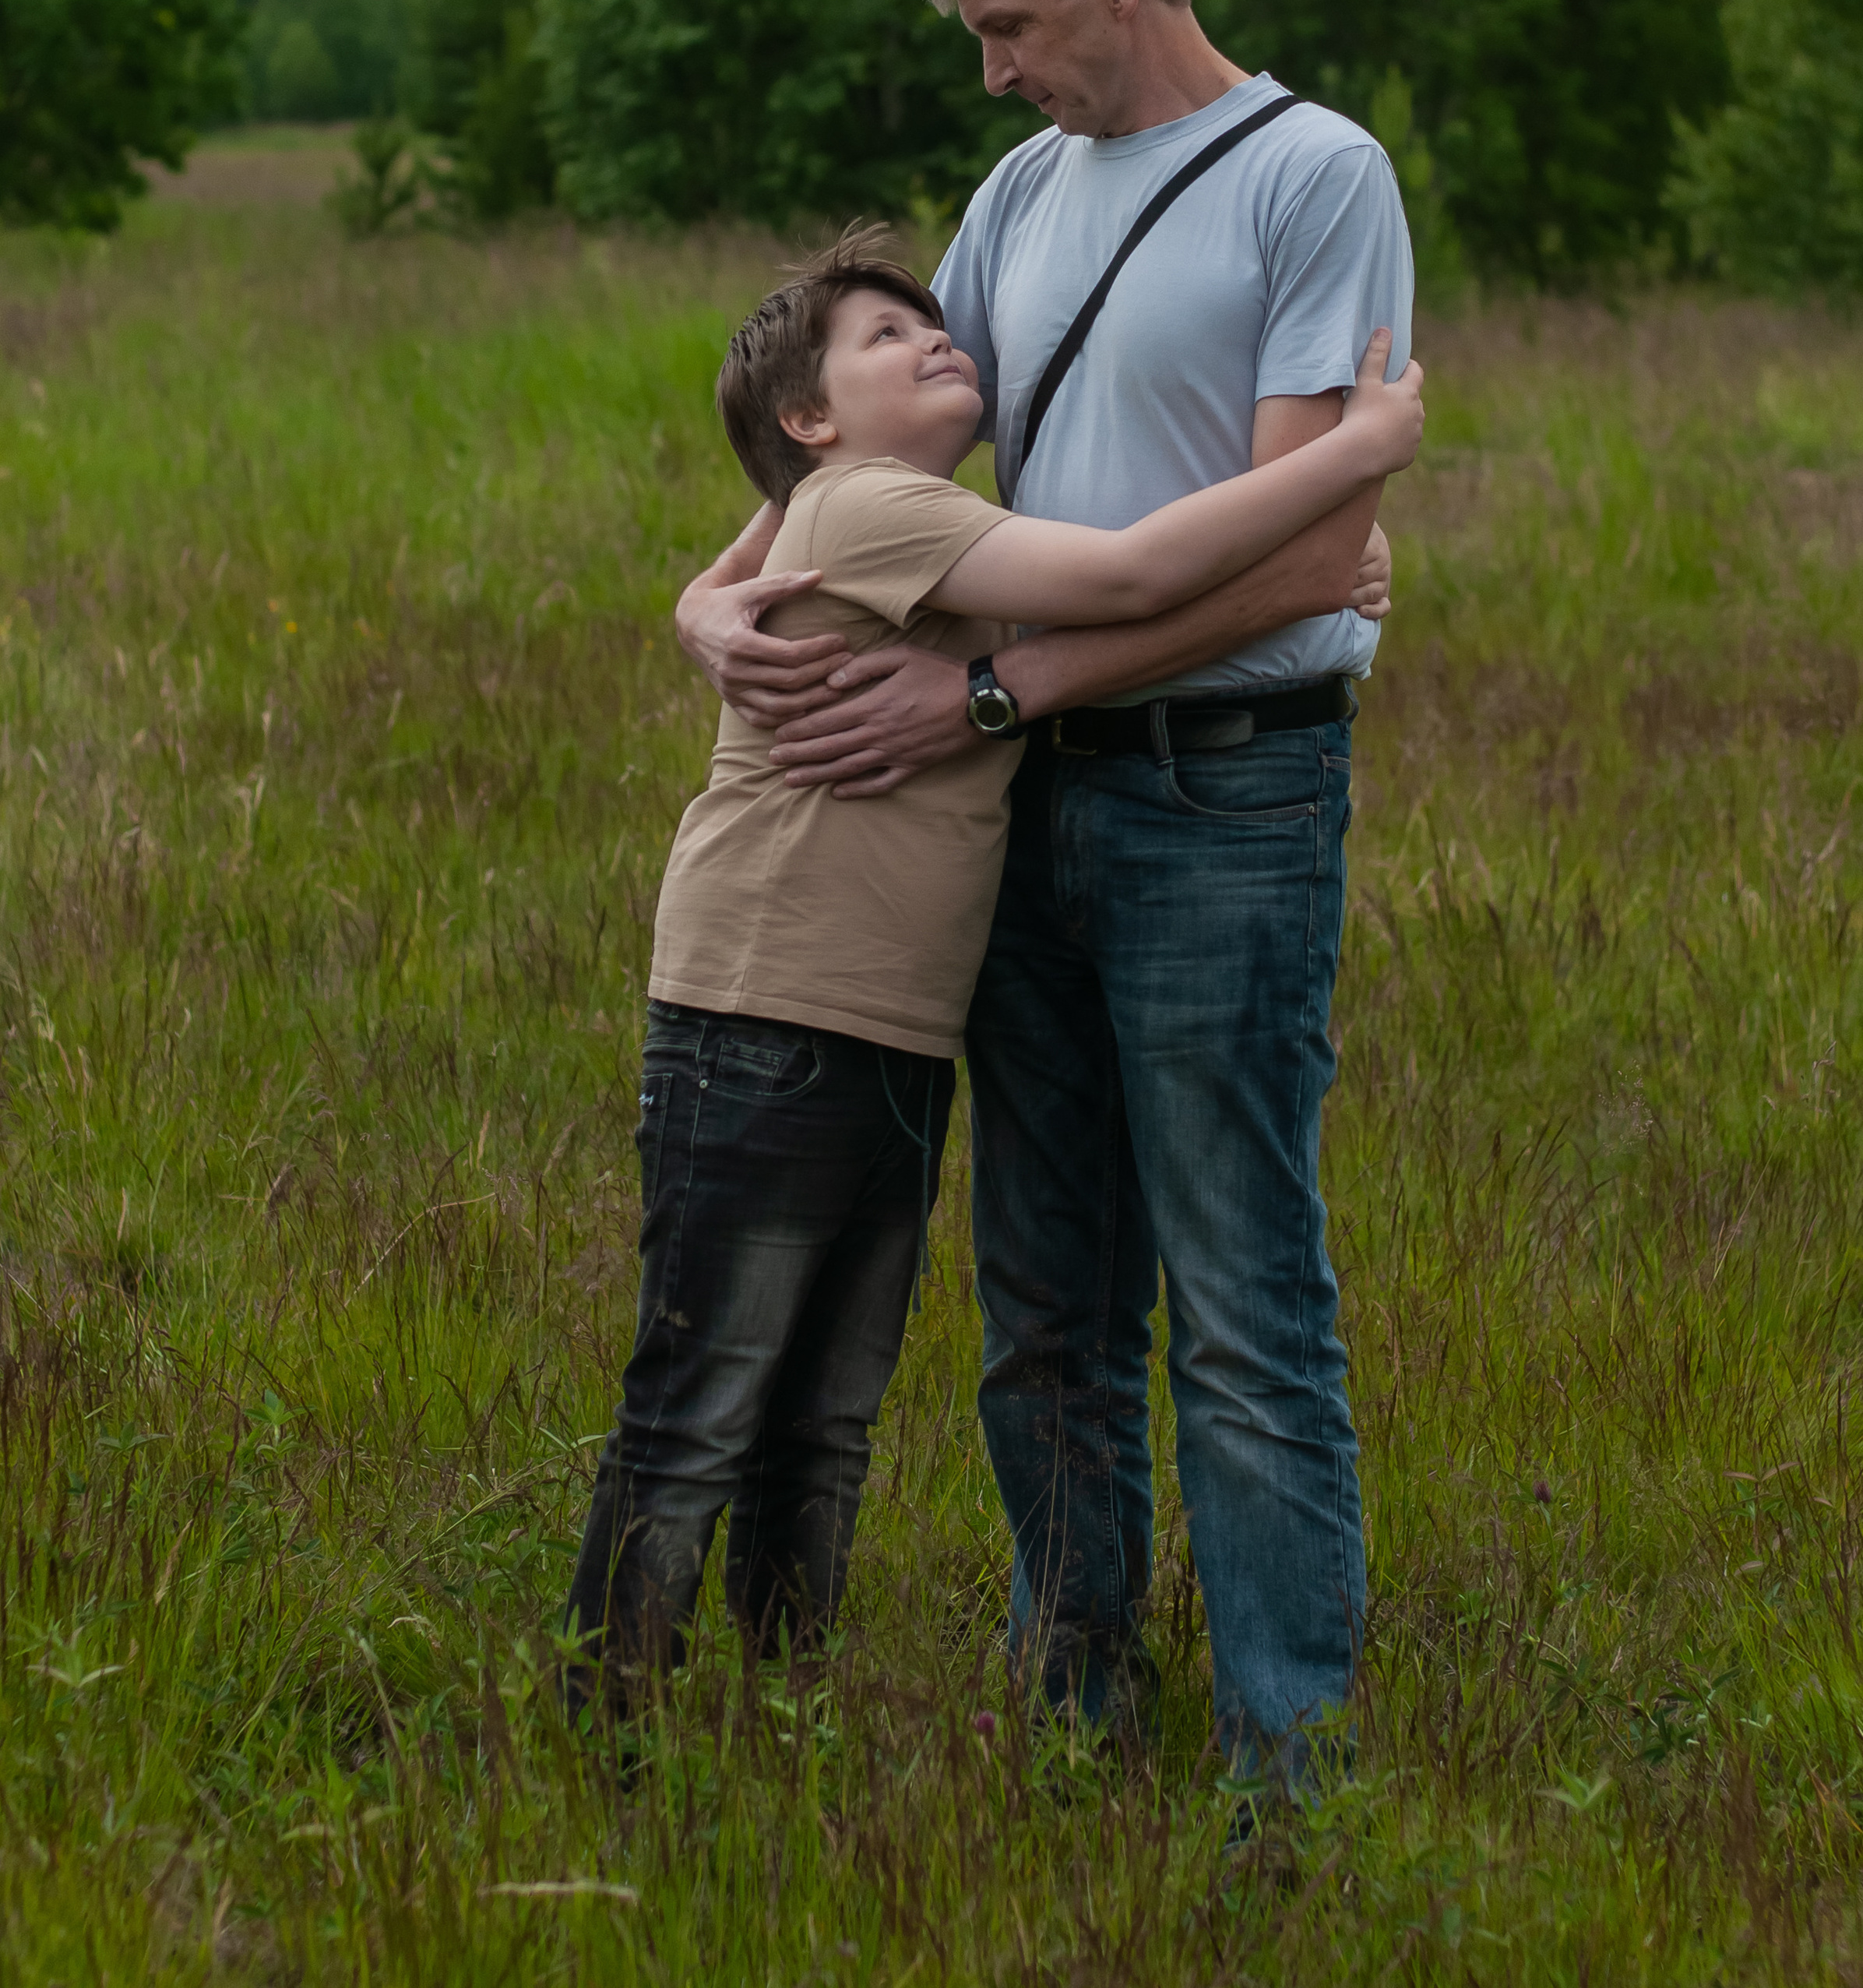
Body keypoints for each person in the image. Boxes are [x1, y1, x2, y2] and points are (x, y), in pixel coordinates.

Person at [675, 0, 1414, 1788]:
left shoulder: (1312, 177)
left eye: (1009, 26)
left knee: (1242, 1310)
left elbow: (1296, 550)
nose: (990, 71)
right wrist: (711, 591)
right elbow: (886, 439)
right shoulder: (1020, 190)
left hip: (1224, 808)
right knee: (1042, 1308)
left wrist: (992, 680)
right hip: (1017, 825)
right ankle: (1069, 1719)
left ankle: (1288, 1776)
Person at [565, 226, 1422, 1701]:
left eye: (934, 322)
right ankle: (605, 1722)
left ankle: (783, 1716)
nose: (937, 339)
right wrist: (1360, 457)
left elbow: (1145, 597)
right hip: (762, 1007)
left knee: (827, 1417)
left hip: (887, 1027)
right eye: (887, 339)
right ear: (810, 419)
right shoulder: (876, 508)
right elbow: (1148, 569)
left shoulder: (917, 526)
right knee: (701, 1406)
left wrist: (1310, 573)